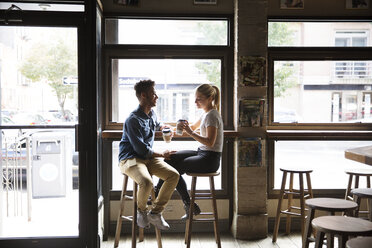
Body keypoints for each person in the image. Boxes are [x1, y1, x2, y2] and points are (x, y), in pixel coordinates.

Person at [118, 80, 179, 230]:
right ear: (144, 95)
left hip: (147, 159)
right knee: (146, 182)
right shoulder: (132, 120)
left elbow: (157, 124)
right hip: (130, 159)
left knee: (174, 175)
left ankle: (156, 213)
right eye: (153, 93)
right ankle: (142, 211)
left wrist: (164, 126)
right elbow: (140, 149)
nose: (156, 96)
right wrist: (162, 154)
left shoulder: (152, 114)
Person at [156, 84, 224, 219]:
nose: (195, 102)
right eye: (195, 98)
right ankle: (186, 204)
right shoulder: (206, 113)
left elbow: (210, 142)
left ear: (210, 98)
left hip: (210, 159)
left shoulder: (212, 115)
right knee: (171, 158)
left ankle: (181, 202)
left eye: (199, 99)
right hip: (202, 153)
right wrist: (174, 130)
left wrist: (190, 132)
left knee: (173, 170)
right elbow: (192, 127)